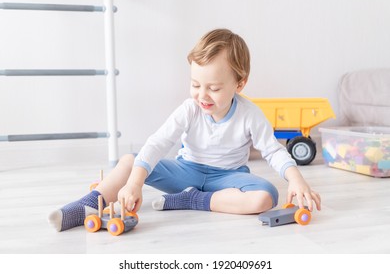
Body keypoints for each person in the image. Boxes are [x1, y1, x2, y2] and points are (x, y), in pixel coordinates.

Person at [48, 28, 321, 232]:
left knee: (265, 196)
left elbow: (273, 150)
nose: (202, 95)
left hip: (227, 178)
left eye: (213, 88)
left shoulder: (250, 114)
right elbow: (157, 143)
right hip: (186, 169)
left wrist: (295, 178)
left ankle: (193, 200)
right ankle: (85, 204)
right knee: (131, 161)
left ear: (239, 84)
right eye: (195, 84)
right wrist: (134, 183)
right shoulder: (189, 109)